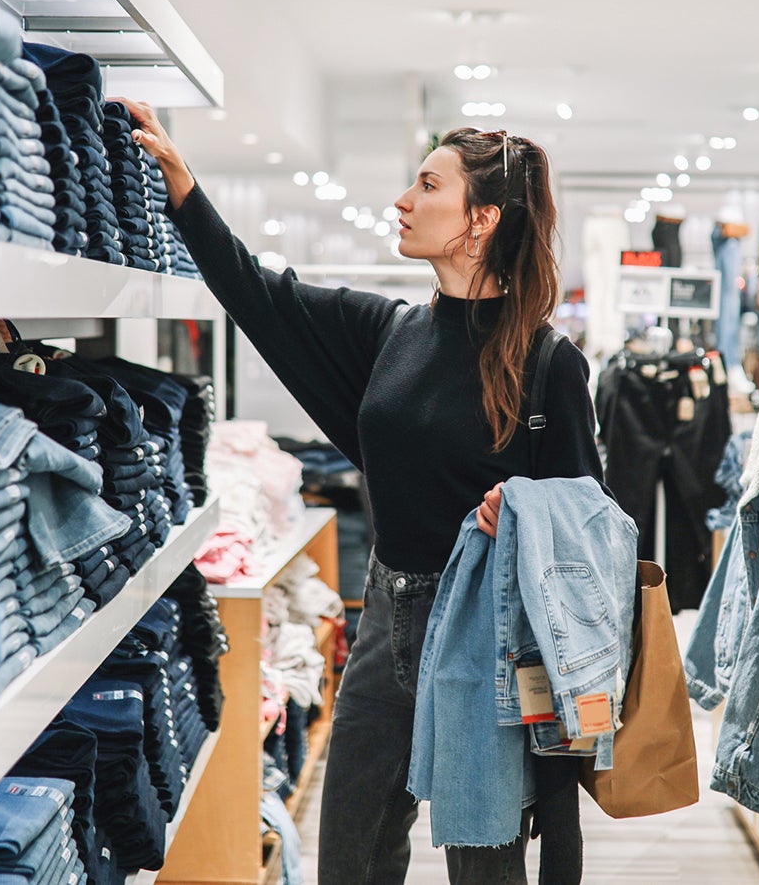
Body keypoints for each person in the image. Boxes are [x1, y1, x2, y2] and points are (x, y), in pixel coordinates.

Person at [114, 98, 606, 885]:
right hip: (384, 617)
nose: (402, 202)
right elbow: (259, 296)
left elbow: (592, 525)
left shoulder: (548, 363)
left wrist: (523, 508)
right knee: (351, 851)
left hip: (485, 633)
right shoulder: (392, 331)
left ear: (481, 219)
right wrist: (183, 189)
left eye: (426, 185)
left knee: (484, 861)